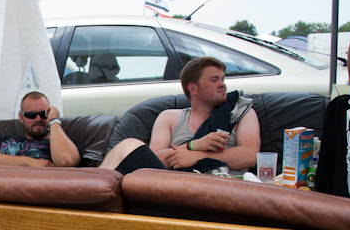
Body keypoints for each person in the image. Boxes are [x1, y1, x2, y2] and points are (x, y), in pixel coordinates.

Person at [99, 56, 260, 176]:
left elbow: (250, 156)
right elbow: (154, 160)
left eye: (223, 79)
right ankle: (92, 196)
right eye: (214, 79)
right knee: (127, 145)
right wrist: (193, 145)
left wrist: (197, 156)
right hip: (173, 184)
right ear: (193, 88)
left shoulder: (240, 112)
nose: (222, 84)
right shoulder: (169, 117)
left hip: (218, 185)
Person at [0, 91, 82, 167]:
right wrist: (29, 162)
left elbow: (66, 161)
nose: (38, 119)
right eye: (31, 115)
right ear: (21, 117)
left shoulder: (63, 144)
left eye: (43, 114)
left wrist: (54, 121)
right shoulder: (5, 141)